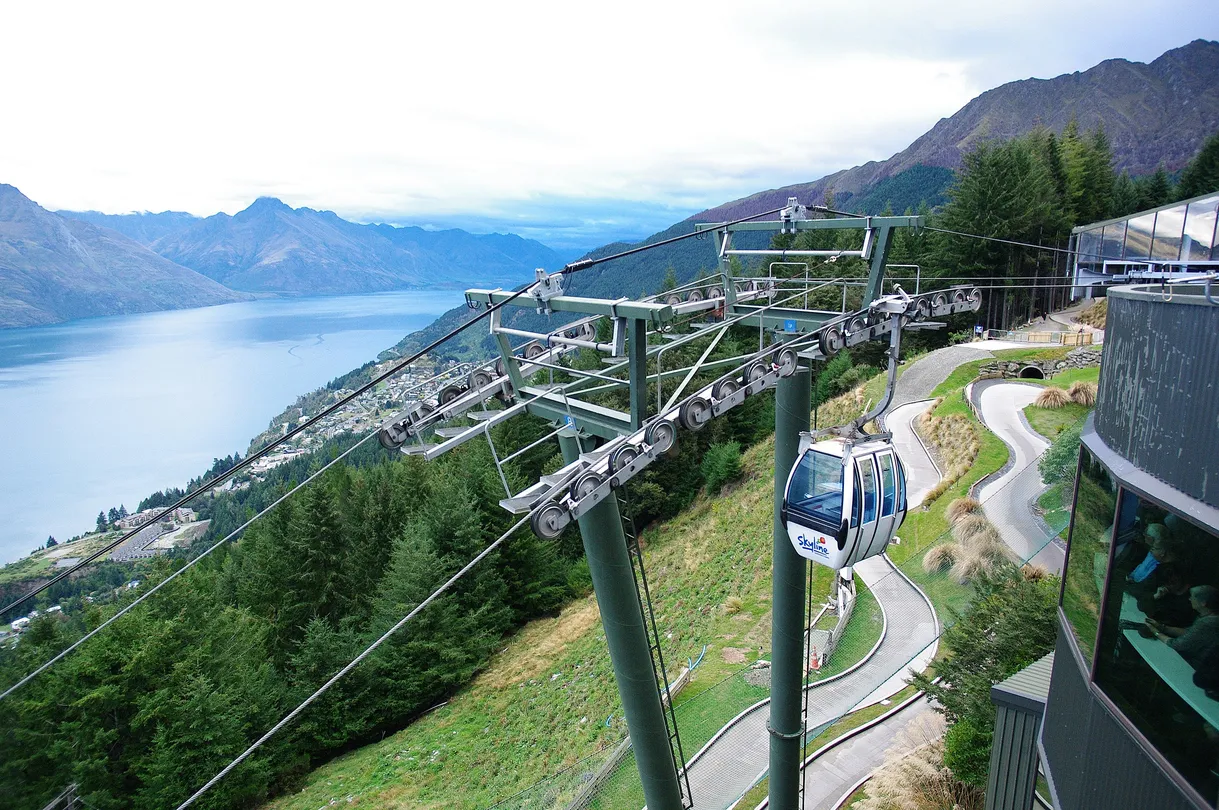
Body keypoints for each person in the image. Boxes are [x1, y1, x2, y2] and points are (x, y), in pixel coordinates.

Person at [1149, 586, 1219, 668]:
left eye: (1192, 597)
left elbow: (1176, 644)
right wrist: (1161, 627)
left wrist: (1155, 632)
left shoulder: (1207, 623)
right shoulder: (1209, 616)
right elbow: (1189, 632)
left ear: (1203, 603)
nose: (1189, 599)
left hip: (1193, 664)